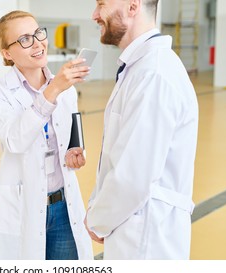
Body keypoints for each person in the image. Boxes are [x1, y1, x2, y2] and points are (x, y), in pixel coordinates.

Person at [85, 0, 199, 259]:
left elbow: (133, 175)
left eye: (101, 4)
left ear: (132, 6)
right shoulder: (141, 68)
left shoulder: (153, 74)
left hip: (147, 238)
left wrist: (97, 219)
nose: (94, 15)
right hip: (135, 228)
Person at [0, 10, 93, 260]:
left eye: (38, 33)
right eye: (24, 39)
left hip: (63, 207)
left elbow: (72, 131)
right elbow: (14, 140)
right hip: (24, 206)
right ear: (7, 53)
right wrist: (52, 90)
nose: (37, 43)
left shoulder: (66, 89)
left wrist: (76, 151)